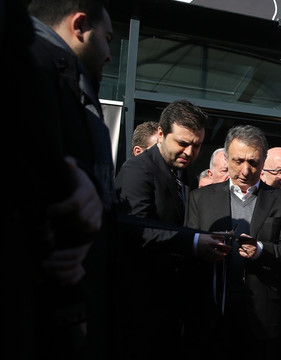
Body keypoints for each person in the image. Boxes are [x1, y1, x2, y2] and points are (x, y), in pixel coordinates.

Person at [26, 1, 118, 358]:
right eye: (107, 38)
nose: (110, 54)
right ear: (80, 25)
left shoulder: (69, 79)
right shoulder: (33, 67)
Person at [115, 99, 230, 359]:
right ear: (160, 134)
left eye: (197, 145)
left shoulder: (185, 174)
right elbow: (136, 228)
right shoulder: (137, 169)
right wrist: (194, 241)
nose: (189, 152)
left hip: (174, 300)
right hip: (142, 300)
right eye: (182, 143)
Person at [186, 125, 281, 360]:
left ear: (264, 160)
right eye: (238, 161)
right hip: (212, 310)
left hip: (262, 315)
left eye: (254, 162)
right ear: (226, 157)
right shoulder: (200, 198)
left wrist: (260, 250)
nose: (246, 170)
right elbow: (187, 245)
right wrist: (203, 247)